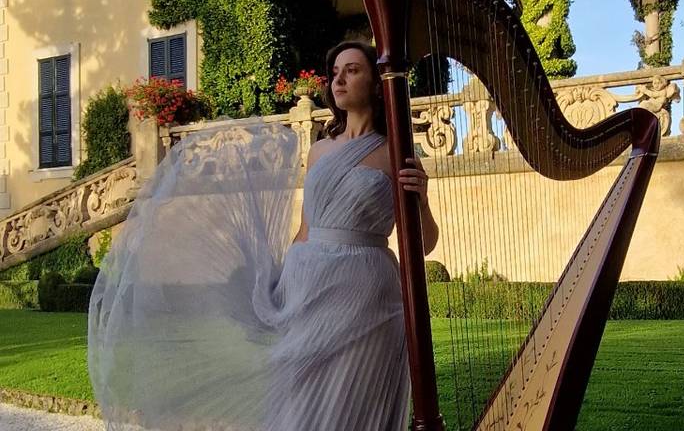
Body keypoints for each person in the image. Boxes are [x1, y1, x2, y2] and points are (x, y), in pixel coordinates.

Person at [88, 41, 438, 431]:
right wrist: (279, 287)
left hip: (368, 293)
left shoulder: (397, 151)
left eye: (352, 70)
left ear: (376, 83)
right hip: (309, 286)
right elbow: (306, 230)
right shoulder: (320, 151)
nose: (339, 78)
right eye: (335, 71)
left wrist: (421, 201)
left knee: (356, 402)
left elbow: (424, 245)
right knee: (299, 396)